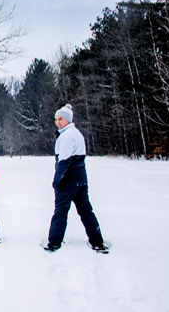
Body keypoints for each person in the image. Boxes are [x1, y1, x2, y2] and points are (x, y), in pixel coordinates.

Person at [43, 104, 109, 254]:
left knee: (60, 211)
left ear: (68, 120)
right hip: (80, 178)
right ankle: (97, 240)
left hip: (68, 180)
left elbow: (64, 160)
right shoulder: (77, 133)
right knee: (86, 211)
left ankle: (54, 242)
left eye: (61, 119)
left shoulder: (66, 136)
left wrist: (57, 180)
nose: (58, 122)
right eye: (56, 119)